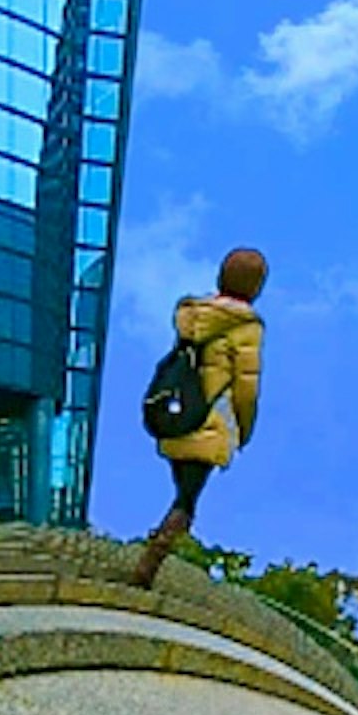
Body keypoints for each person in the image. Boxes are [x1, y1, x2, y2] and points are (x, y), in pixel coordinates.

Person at [131, 246, 268, 580]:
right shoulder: (247, 327)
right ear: (256, 286)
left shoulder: (194, 315)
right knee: (187, 502)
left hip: (176, 415)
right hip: (209, 423)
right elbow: (246, 387)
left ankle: (158, 546)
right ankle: (150, 562)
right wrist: (245, 431)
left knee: (182, 494)